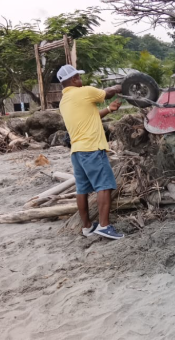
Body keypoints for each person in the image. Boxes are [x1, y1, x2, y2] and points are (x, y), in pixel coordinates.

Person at [58, 64, 124, 240]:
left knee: (82, 190)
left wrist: (109, 110)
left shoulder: (64, 102)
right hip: (92, 149)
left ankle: (87, 227)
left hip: (77, 152)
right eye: (78, 77)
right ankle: (104, 226)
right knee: (104, 186)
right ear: (74, 79)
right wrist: (121, 86)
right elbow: (108, 92)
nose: (81, 79)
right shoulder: (84, 92)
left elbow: (88, 117)